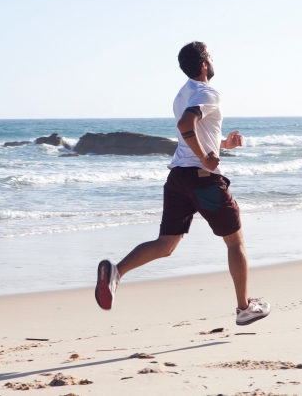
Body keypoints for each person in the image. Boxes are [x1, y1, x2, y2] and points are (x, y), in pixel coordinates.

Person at [95, 41, 270, 326]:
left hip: (178, 177)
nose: (213, 62)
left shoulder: (182, 94)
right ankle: (244, 308)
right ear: (204, 64)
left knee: (166, 244)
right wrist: (206, 159)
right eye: (211, 58)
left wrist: (224, 144)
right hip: (203, 180)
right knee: (234, 242)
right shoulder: (209, 92)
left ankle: (116, 272)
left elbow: (197, 132)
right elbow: (185, 126)